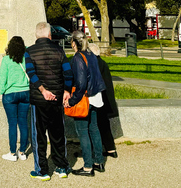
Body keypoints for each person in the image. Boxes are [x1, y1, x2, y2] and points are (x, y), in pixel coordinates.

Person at [24, 22, 73, 181]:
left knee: (39, 136)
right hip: (57, 98)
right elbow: (68, 72)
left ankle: (42, 170)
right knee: (58, 134)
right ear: (50, 35)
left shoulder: (29, 51)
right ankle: (62, 166)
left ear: (36, 35)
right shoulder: (59, 50)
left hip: (39, 100)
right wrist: (66, 90)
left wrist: (43, 90)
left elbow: (31, 73)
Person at [64, 31, 105, 176]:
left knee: (82, 132)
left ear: (73, 43)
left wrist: (72, 100)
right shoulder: (91, 55)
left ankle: (88, 167)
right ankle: (98, 161)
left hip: (84, 98)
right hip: (95, 95)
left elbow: (81, 83)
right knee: (94, 129)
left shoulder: (78, 58)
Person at [0, 36, 30, 162]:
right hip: (25, 92)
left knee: (12, 123)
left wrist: (0, 90)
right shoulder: (26, 58)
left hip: (10, 94)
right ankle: (22, 151)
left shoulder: (6, 60)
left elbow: (1, 78)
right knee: (23, 122)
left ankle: (12, 152)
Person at [88, 43, 118, 159]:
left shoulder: (94, 63)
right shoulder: (102, 63)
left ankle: (93, 151)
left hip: (98, 98)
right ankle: (111, 149)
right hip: (106, 97)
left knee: (93, 126)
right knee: (104, 125)